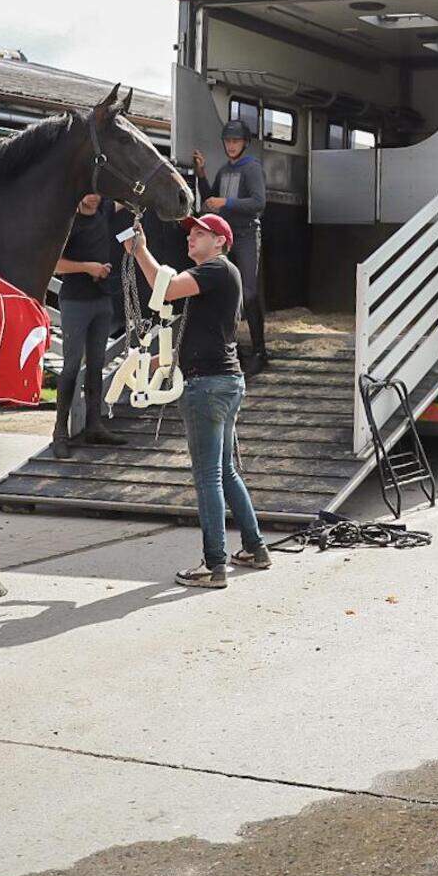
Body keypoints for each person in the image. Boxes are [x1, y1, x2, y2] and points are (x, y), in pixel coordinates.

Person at [124, 211, 271, 589]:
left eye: (201, 233)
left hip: (206, 386)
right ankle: (254, 548)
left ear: (221, 241)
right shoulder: (216, 278)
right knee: (224, 471)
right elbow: (198, 330)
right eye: (191, 233)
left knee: (208, 477)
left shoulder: (215, 270)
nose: (192, 237)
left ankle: (214, 565)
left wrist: (141, 251)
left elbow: (164, 287)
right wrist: (158, 360)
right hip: (225, 381)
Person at [50, 192, 129, 454]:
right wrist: (88, 267)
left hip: (102, 299)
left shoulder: (105, 208)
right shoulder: (68, 221)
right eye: (87, 193)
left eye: (97, 192)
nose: (93, 198)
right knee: (72, 365)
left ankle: (94, 425)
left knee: (97, 364)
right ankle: (59, 432)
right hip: (75, 301)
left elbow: (128, 195)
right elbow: (56, 265)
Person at [191, 119, 268, 375]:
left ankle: (260, 351)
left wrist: (227, 202)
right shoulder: (224, 170)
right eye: (228, 141)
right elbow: (211, 199)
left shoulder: (252, 167)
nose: (231, 145)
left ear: (245, 143)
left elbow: (258, 202)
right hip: (225, 236)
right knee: (226, 291)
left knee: (249, 292)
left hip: (246, 234)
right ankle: (233, 349)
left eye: (236, 141)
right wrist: (201, 173)